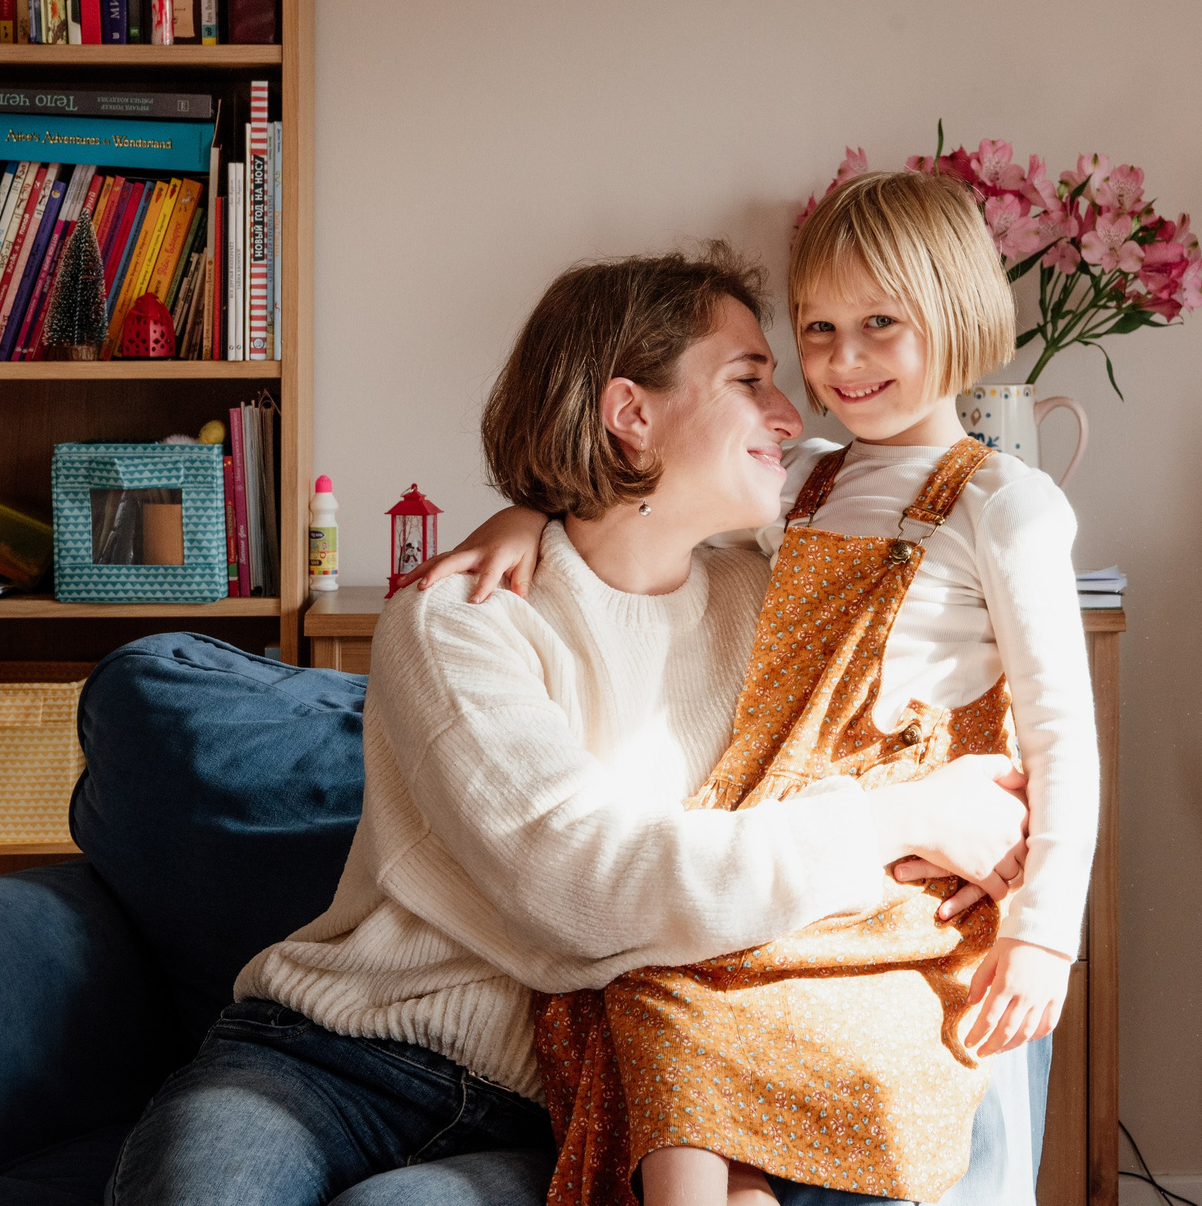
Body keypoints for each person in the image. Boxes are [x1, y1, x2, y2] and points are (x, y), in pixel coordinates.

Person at [108, 246, 1038, 1206]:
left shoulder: (778, 609)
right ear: (631, 413)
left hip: (567, 1093)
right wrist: (895, 820)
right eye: (750, 378)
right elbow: (581, 883)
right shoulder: (464, 616)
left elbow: (916, 564)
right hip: (333, 1057)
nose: (790, 414)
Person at [436, 172, 1095, 1206]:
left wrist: (1045, 932)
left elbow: (1062, 730)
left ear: (959, 315)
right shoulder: (803, 480)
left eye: (880, 323)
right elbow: (634, 498)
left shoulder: (1004, 501)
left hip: (905, 864)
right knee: (662, 1005)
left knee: (710, 1022)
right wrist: (525, 515)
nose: (841, 359)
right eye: (821, 328)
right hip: (790, 825)